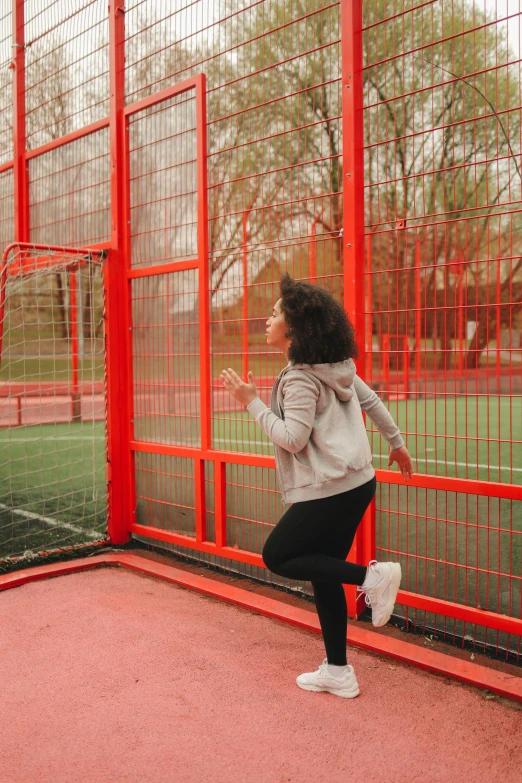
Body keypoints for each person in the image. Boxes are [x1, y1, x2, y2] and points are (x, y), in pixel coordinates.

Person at [220, 274, 414, 699]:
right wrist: (397, 446)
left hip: (333, 487)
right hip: (358, 482)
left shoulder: (301, 378)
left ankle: (372, 576)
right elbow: (372, 402)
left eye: (274, 314)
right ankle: (339, 671)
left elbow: (293, 438)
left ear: (294, 328)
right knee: (323, 572)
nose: (267, 320)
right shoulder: (335, 368)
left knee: (279, 555)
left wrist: (250, 402)